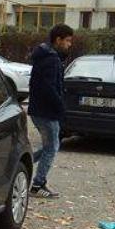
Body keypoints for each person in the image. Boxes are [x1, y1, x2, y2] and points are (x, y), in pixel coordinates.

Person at [26, 24, 73, 198]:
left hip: (39, 110)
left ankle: (20, 164)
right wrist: (60, 107)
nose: (69, 44)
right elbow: (49, 88)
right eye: (67, 41)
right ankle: (37, 185)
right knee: (52, 148)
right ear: (58, 40)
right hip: (46, 112)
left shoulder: (45, 56)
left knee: (49, 146)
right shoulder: (51, 60)